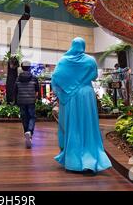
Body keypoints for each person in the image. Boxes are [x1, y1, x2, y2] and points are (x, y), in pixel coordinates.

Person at [52, 37, 112, 173]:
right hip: (86, 94)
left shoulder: (63, 60)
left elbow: (55, 77)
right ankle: (92, 157)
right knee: (88, 124)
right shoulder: (90, 60)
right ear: (83, 46)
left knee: (73, 124)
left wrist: (67, 88)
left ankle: (73, 160)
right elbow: (94, 76)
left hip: (70, 97)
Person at [13, 60, 40, 149]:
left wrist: (15, 100)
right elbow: (37, 91)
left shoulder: (17, 78)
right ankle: (29, 132)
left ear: (22, 67)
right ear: (29, 68)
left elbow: (15, 91)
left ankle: (27, 133)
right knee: (32, 117)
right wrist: (35, 98)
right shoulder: (34, 78)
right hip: (31, 101)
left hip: (21, 101)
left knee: (24, 117)